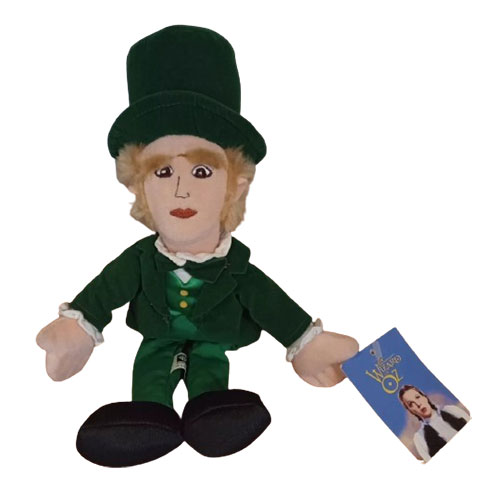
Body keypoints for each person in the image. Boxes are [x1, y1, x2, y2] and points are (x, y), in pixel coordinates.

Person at [36, 25, 359, 467]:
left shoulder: (237, 268)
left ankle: (213, 414)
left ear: (236, 184)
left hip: (213, 340)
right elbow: (105, 290)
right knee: (152, 365)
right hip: (157, 337)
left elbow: (272, 304)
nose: (181, 190)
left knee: (209, 366)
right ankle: (146, 417)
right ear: (137, 184)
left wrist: (306, 343)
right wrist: (78, 328)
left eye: (202, 172)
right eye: (163, 172)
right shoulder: (140, 260)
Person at [398, 384, 470, 461]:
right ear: (410, 411)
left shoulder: (452, 410)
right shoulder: (420, 438)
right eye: (411, 404)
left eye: (417, 397)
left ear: (424, 397)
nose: (418, 404)